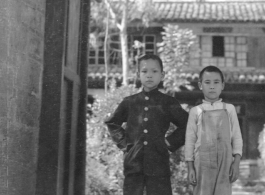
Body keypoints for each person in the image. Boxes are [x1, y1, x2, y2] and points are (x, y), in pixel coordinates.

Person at [105, 54, 188, 195]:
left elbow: (189, 125)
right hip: (133, 162)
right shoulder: (130, 102)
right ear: (138, 75)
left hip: (159, 162)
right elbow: (112, 122)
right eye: (144, 71)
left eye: (154, 71)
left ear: (162, 75)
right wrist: (125, 145)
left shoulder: (168, 102)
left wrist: (169, 143)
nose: (149, 75)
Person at [185, 65, 243, 195]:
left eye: (216, 82)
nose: (212, 86)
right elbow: (190, 140)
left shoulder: (230, 109)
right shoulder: (195, 111)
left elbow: (237, 137)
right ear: (200, 85)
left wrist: (236, 162)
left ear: (222, 85)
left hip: (225, 161)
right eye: (207, 82)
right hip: (202, 163)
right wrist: (190, 167)